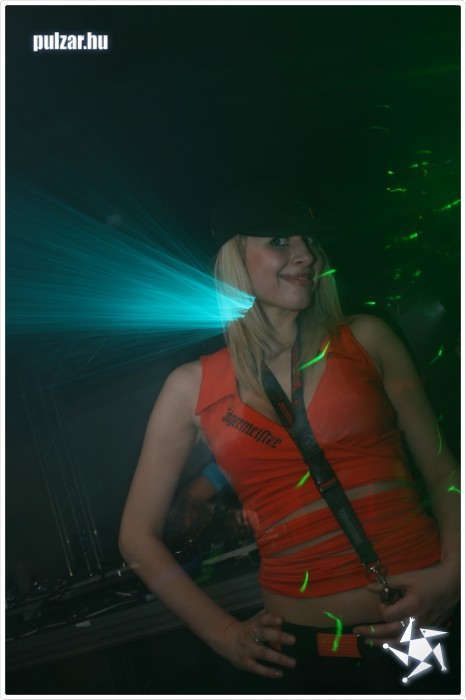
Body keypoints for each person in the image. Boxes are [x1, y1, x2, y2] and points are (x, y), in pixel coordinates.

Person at [119, 182, 460, 694]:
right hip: (306, 655)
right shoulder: (190, 388)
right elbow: (136, 536)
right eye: (279, 241)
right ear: (235, 259)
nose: (305, 255)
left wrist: (454, 575)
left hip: (422, 626)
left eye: (309, 241)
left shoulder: (365, 338)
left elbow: (443, 471)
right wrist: (223, 635)